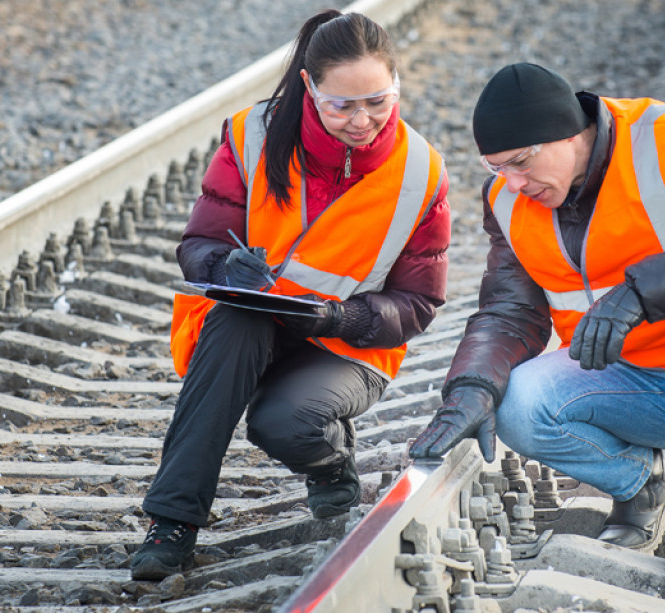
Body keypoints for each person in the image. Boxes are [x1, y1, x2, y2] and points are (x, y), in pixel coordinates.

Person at [410, 62, 665, 593]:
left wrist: (641, 293)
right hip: (638, 386)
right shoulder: (506, 201)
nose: (514, 182)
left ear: (573, 132)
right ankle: (644, 484)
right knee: (516, 402)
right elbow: (509, 308)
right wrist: (471, 386)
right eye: (498, 167)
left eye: (522, 162)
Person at [130, 10, 450, 581]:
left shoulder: (421, 171)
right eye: (342, 104)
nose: (363, 120)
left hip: (344, 346)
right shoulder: (251, 136)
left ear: (396, 84)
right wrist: (226, 266)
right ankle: (171, 523)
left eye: (378, 100)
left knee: (283, 424)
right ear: (309, 86)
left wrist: (342, 317)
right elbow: (199, 243)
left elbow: (419, 303)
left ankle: (330, 464)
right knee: (235, 320)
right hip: (249, 329)